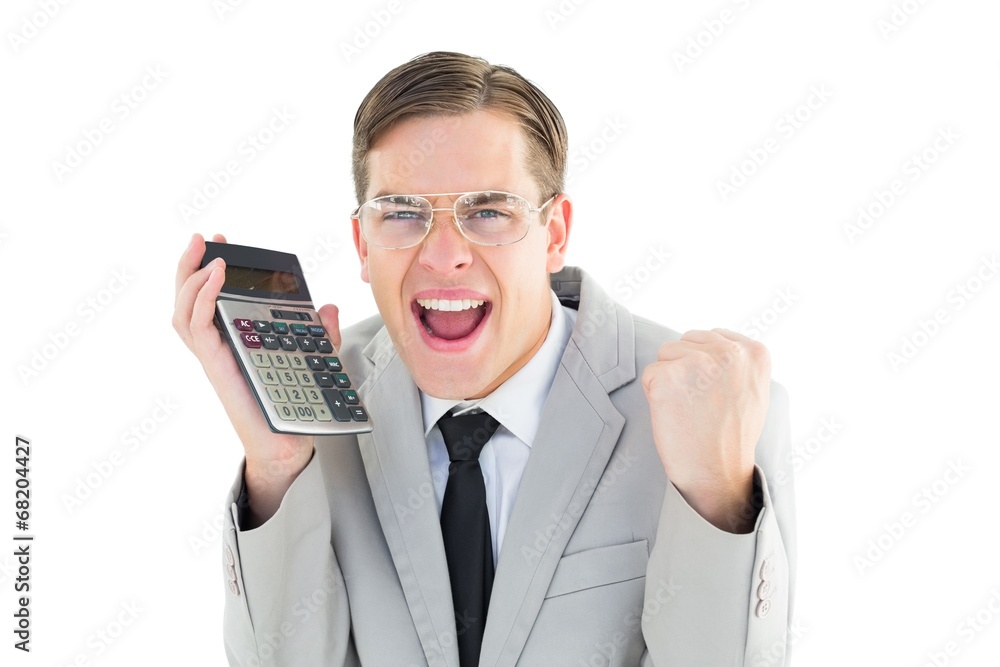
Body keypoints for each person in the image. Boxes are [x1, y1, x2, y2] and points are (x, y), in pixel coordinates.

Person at [173, 51, 795, 666]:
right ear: (363, 244)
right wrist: (278, 468)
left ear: (554, 235)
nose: (444, 255)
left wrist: (717, 498)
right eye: (402, 214)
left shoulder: (715, 410)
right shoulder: (319, 409)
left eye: (489, 211)